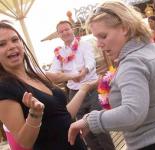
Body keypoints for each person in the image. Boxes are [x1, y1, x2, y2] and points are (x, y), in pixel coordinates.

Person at [68, 1, 155, 150]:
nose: (99, 44)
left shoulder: (132, 63)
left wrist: (90, 120)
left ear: (125, 28)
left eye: (103, 36)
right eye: (97, 38)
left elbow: (132, 114)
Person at [0, 21, 90, 149]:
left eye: (15, 40)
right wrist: (35, 114)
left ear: (22, 44)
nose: (11, 46)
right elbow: (25, 142)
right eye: (2, 44)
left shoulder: (35, 76)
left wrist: (84, 89)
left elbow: (63, 114)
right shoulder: (4, 88)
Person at [46, 21, 115, 150]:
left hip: (92, 88)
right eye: (61, 31)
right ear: (58, 35)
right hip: (74, 93)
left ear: (72, 30)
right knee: (84, 130)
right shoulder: (58, 53)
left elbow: (91, 62)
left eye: (67, 29)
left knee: (99, 125)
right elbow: (53, 70)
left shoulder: (84, 44)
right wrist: (60, 76)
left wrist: (84, 72)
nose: (65, 32)